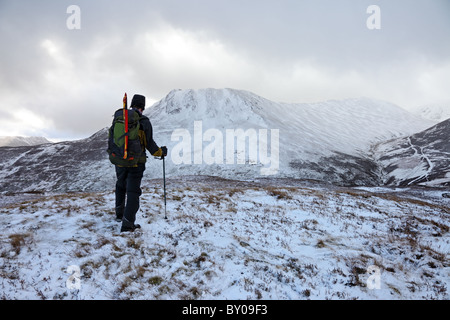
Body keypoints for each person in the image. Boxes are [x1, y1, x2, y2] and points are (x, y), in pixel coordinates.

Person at [114, 94, 167, 232]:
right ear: (142, 107)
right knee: (133, 191)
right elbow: (150, 145)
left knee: (120, 185)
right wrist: (161, 152)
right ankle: (127, 223)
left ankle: (119, 214)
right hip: (136, 163)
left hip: (119, 159)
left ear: (131, 104)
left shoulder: (120, 117)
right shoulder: (144, 122)